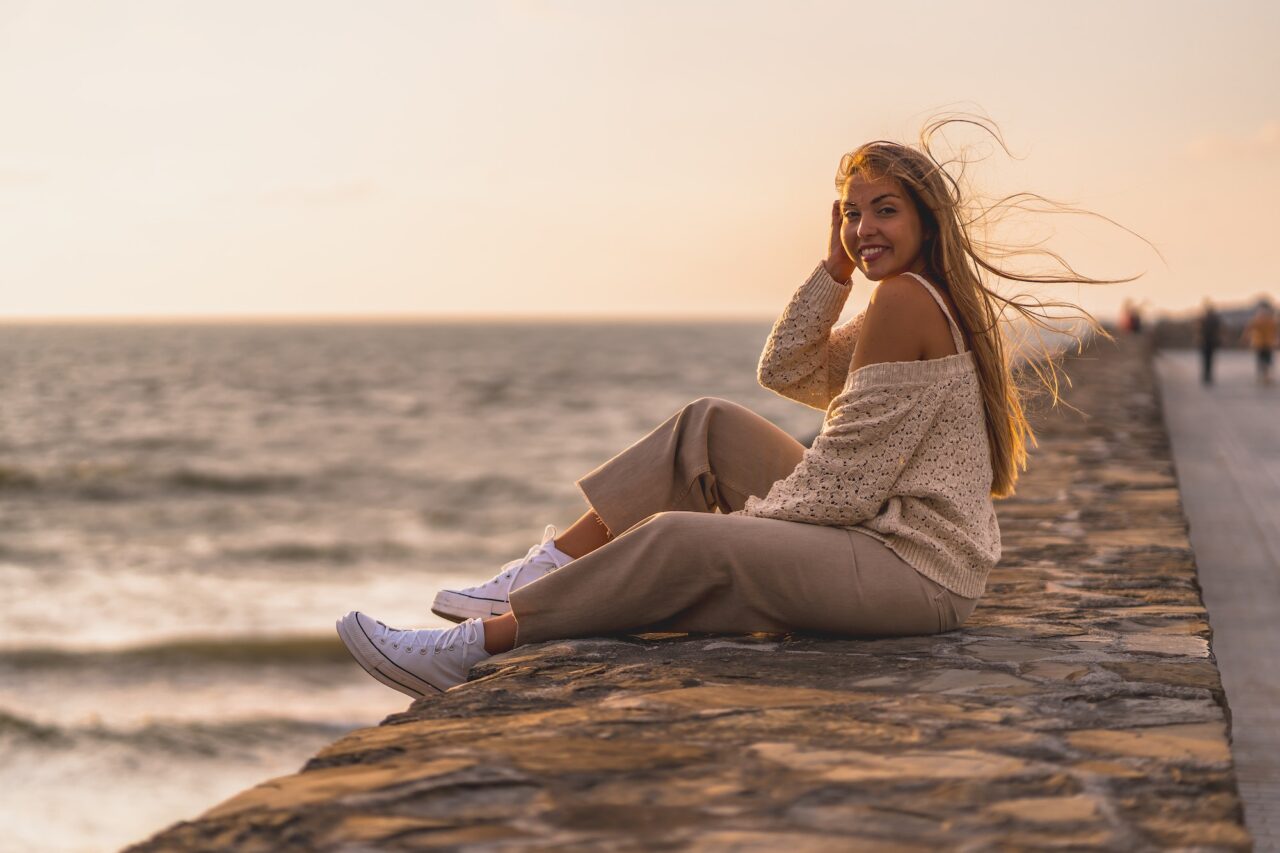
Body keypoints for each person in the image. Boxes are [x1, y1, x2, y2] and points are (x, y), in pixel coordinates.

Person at [335, 119, 1117, 700]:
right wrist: (834, 270)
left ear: (924, 220)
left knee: (682, 538)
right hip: (894, 545)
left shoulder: (909, 303)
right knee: (705, 424)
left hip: (915, 574)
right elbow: (788, 369)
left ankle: (481, 644)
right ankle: (545, 570)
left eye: (884, 211)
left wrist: (732, 533)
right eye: (851, 213)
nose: (865, 228)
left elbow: (844, 490)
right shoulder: (896, 298)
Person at [1242, 300, 1278, 386]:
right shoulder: (1271, 320)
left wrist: (1245, 338)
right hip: (1265, 343)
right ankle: (1265, 377)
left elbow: (1248, 330)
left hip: (1263, 343)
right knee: (1265, 360)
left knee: (1263, 360)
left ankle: (1264, 376)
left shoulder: (1260, 320)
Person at [1198, 299, 1222, 385]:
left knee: (1206, 359)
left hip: (1207, 341)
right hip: (1210, 341)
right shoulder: (1214, 318)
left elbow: (1199, 329)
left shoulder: (1204, 318)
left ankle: (1206, 376)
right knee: (1209, 359)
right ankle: (1208, 376)